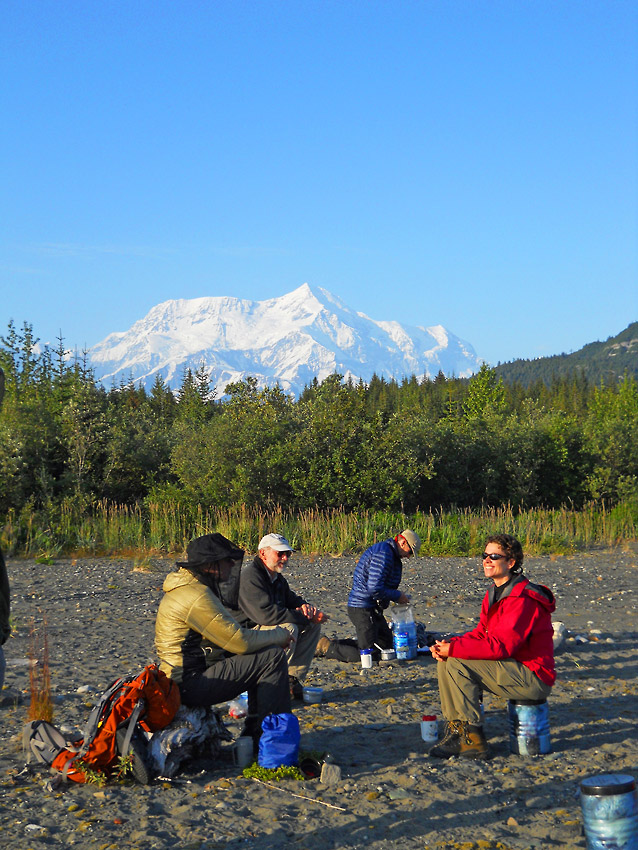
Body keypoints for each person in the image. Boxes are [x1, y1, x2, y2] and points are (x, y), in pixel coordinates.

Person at [155, 533, 293, 749]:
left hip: (181, 677)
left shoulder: (188, 589)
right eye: (227, 559)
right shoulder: (196, 595)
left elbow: (230, 638)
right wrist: (279, 636)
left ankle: (255, 730)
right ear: (211, 564)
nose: (232, 564)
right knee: (272, 657)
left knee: (260, 655)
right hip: (189, 683)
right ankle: (272, 739)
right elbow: (240, 641)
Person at [429, 533, 555, 760]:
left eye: (494, 556)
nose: (487, 560)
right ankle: (457, 729)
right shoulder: (494, 593)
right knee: (447, 660)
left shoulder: (521, 599)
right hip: (514, 668)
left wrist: (455, 651)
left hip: (533, 676)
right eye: (485, 555)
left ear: (511, 562)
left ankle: (472, 739)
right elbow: (480, 634)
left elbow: (501, 648)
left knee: (458, 663)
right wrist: (449, 645)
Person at [237, 533, 328, 700]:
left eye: (288, 553)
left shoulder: (276, 577)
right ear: (263, 553)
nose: (285, 558)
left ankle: (291, 679)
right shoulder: (251, 577)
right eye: (280, 553)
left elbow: (291, 599)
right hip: (244, 633)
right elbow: (266, 615)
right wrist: (302, 616)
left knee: (313, 626)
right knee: (289, 627)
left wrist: (309, 610)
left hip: (263, 627)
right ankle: (269, 682)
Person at [316, 529, 421, 664]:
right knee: (369, 655)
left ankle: (337, 644)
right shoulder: (383, 553)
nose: (408, 556)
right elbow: (374, 587)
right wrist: (397, 596)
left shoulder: (389, 553)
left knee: (387, 646)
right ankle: (326, 647)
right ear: (402, 542)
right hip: (362, 607)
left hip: (372, 607)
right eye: (410, 552)